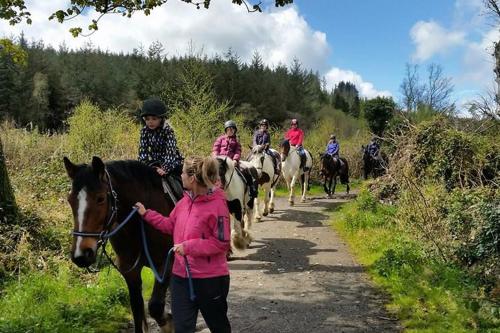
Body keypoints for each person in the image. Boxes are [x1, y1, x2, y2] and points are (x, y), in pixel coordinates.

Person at [135, 156, 231, 333]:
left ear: (192, 178)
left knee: (219, 328)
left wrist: (188, 247)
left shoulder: (218, 206)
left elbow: (221, 243)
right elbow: (169, 225)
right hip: (180, 278)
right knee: (182, 329)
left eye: (183, 172)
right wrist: (146, 214)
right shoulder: (183, 203)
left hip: (210, 280)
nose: (180, 175)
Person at [138, 97, 184, 199]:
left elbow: (170, 151)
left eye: (154, 119)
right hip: (154, 163)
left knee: (185, 179)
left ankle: (186, 200)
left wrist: (165, 168)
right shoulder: (144, 131)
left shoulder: (168, 130)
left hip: (172, 162)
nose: (150, 122)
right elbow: (142, 152)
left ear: (161, 119)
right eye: (147, 119)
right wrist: (147, 166)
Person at [212, 120, 258, 199]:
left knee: (246, 169)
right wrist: (215, 157)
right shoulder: (220, 139)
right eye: (229, 129)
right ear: (226, 130)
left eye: (232, 129)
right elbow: (215, 149)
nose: (230, 131)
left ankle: (251, 188)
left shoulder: (237, 141)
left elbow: (238, 151)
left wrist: (235, 160)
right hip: (220, 162)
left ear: (234, 130)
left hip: (232, 162)